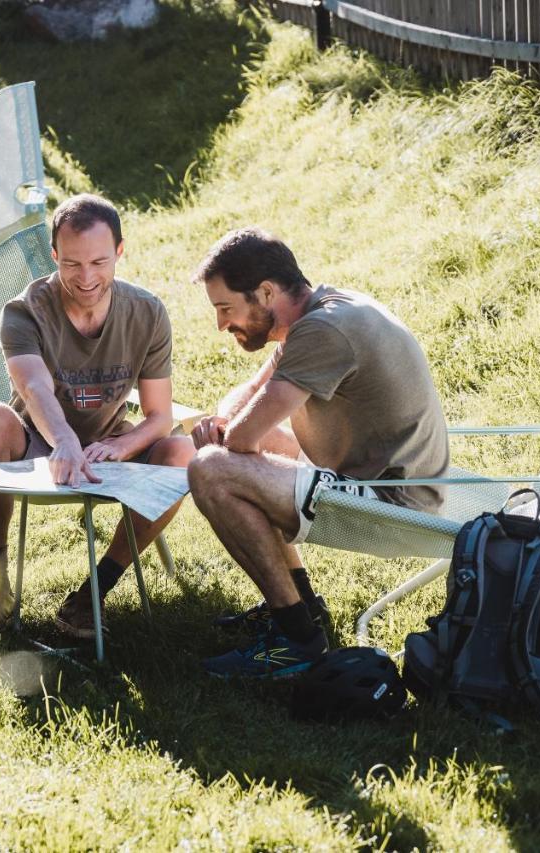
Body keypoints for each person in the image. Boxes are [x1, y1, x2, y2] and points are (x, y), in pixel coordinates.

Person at [186, 227, 449, 678]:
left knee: (212, 470)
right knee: (230, 457)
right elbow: (244, 400)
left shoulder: (323, 331)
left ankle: (298, 639)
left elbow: (243, 437)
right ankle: (304, 606)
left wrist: (225, 436)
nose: (221, 324)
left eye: (226, 308)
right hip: (379, 480)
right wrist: (224, 423)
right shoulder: (317, 315)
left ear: (266, 292)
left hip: (397, 505)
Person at [0, 194, 195, 638]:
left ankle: (94, 591)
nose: (86, 277)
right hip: (35, 441)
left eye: (99, 262)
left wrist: (119, 446)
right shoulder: (23, 312)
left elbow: (159, 416)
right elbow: (32, 387)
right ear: (54, 255)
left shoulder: (147, 312)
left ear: (120, 253)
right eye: (71, 264)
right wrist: (65, 442)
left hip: (110, 447)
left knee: (183, 453)